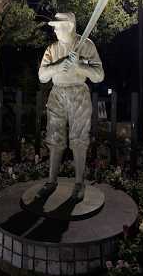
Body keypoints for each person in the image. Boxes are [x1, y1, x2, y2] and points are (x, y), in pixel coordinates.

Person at [38, 12, 104, 201]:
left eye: (58, 26)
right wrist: (59, 66)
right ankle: (51, 180)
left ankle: (79, 183)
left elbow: (99, 75)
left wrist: (78, 67)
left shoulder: (87, 45)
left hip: (79, 94)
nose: (55, 29)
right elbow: (42, 76)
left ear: (69, 27)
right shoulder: (52, 48)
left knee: (79, 139)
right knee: (55, 137)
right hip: (57, 93)